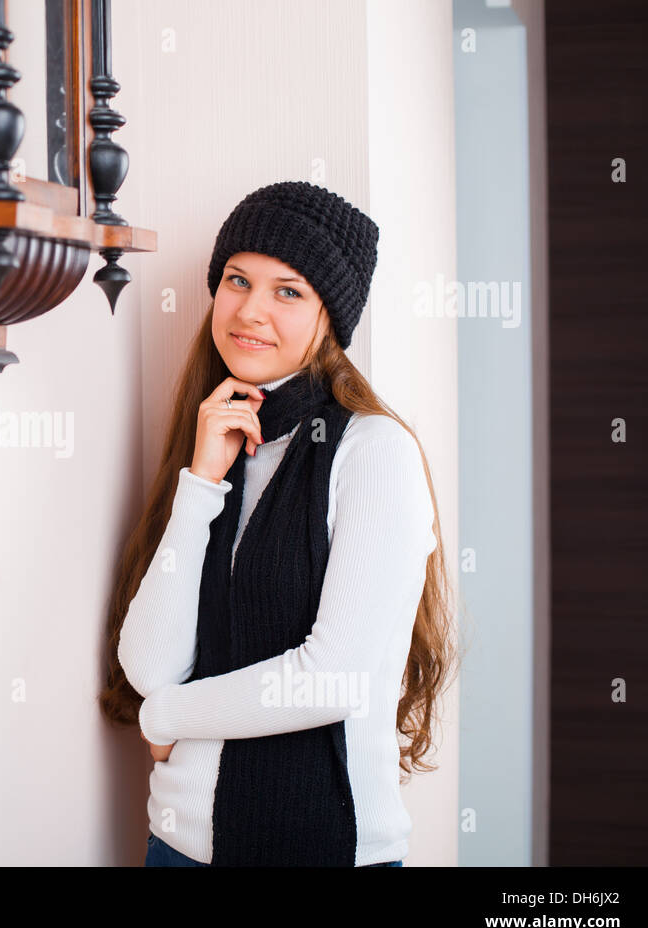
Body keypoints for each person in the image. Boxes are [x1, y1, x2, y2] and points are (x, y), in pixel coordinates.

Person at [98, 181, 459, 867]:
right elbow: (148, 664)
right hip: (177, 845)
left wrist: (168, 717)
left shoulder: (375, 452)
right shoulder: (217, 441)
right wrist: (200, 483)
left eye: (287, 291)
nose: (250, 311)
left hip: (324, 847)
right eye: (237, 280)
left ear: (331, 316)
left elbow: (335, 675)